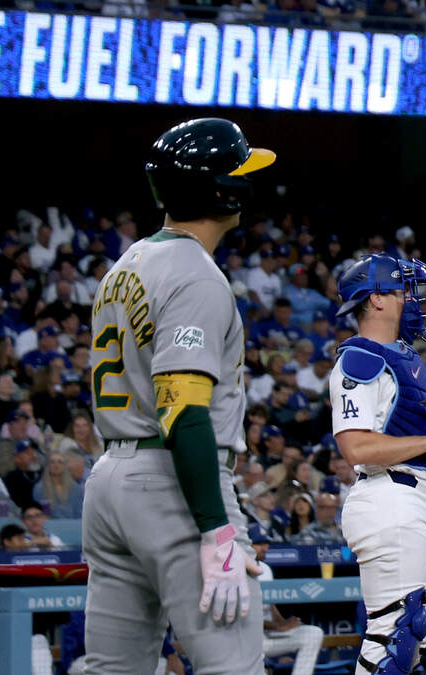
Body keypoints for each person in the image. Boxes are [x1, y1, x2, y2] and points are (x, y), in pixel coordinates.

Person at [83, 118, 273, 674]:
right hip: (173, 483)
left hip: (111, 479)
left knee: (112, 670)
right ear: (224, 191)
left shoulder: (126, 264)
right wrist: (215, 527)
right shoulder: (196, 276)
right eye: (239, 172)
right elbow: (183, 409)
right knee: (232, 666)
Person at [329, 254, 426, 675]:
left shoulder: (406, 356)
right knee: (393, 638)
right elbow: (356, 447)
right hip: (388, 498)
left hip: (417, 498)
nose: (413, 301)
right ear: (377, 300)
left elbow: (400, 431)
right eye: (403, 291)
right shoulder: (360, 359)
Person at [248, 525, 326, 675]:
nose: (264, 548)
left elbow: (270, 604)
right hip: (250, 640)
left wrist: (283, 623)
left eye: (265, 543)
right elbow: (246, 616)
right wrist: (277, 626)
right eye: (258, 544)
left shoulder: (265, 569)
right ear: (246, 545)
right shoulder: (240, 571)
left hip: (269, 636)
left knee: (313, 634)